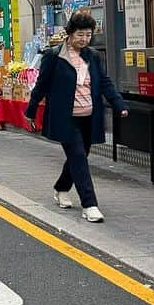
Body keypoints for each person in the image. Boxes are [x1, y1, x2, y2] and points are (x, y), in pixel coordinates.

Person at [24, 11, 127, 223]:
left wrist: (118, 104)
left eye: (88, 35)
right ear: (70, 33)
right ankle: (89, 204)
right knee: (78, 157)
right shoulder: (54, 56)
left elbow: (105, 82)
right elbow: (41, 85)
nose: (84, 39)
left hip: (89, 116)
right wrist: (31, 111)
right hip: (65, 117)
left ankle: (61, 188)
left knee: (78, 157)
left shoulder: (93, 56)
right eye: (80, 34)